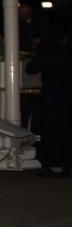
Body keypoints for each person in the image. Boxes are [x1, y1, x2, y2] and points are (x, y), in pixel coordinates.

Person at [26, 23, 72, 177]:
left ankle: (54, 164)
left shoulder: (46, 52)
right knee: (66, 130)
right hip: (67, 95)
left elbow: (30, 69)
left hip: (51, 95)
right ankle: (66, 164)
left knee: (51, 130)